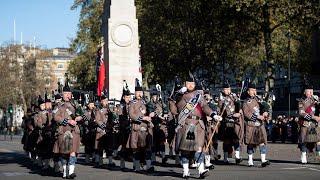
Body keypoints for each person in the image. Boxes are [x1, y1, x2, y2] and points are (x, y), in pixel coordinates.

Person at [171, 72, 222, 178]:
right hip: (185, 124)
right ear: (185, 84)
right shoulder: (179, 95)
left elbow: (205, 107)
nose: (190, 85)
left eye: (192, 83)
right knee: (185, 149)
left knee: (199, 148)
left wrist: (213, 115)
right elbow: (172, 106)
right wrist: (178, 93)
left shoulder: (199, 96)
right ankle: (185, 171)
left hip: (198, 125)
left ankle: (201, 170)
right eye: (188, 83)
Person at [52, 83, 82, 179]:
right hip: (64, 131)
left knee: (73, 152)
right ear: (62, 94)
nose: (68, 95)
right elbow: (55, 117)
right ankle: (65, 170)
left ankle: (72, 171)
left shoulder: (75, 104)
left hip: (74, 131)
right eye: (66, 93)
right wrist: (68, 121)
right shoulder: (59, 106)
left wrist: (78, 118)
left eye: (69, 93)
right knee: (64, 153)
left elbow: (82, 114)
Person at [126, 78, 155, 173]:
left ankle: (149, 166)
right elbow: (131, 115)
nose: (140, 94)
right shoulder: (132, 103)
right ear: (135, 93)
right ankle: (137, 166)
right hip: (136, 128)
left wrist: (152, 114)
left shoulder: (145, 102)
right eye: (138, 92)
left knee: (147, 148)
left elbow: (151, 111)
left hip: (146, 129)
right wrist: (143, 118)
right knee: (136, 149)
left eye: (141, 92)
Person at [242, 82, 270, 167]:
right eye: (252, 90)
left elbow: (265, 107)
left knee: (262, 142)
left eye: (255, 90)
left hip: (260, 125)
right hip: (251, 125)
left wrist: (265, 112)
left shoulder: (259, 100)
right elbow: (246, 114)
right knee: (251, 143)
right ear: (248, 91)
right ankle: (250, 160)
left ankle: (263, 160)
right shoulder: (246, 102)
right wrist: (258, 116)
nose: (254, 91)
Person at [298, 83, 320, 164]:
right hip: (305, 124)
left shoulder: (316, 100)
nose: (311, 93)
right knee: (304, 140)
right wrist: (314, 117)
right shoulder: (301, 101)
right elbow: (302, 113)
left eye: (312, 91)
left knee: (318, 140)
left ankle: (318, 156)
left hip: (315, 124)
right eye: (309, 91)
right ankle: (303, 155)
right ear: (305, 92)